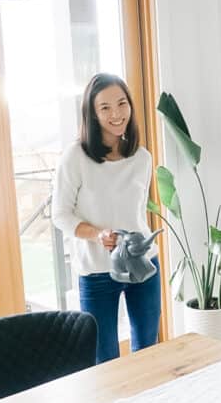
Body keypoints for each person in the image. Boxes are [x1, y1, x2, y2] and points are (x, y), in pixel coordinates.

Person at [52, 72, 161, 363]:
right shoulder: (76, 157)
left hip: (143, 265)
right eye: (105, 107)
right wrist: (98, 234)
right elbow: (60, 214)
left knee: (147, 353)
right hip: (97, 272)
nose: (116, 114)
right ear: (92, 113)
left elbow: (136, 213)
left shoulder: (142, 158)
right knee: (105, 361)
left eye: (122, 103)